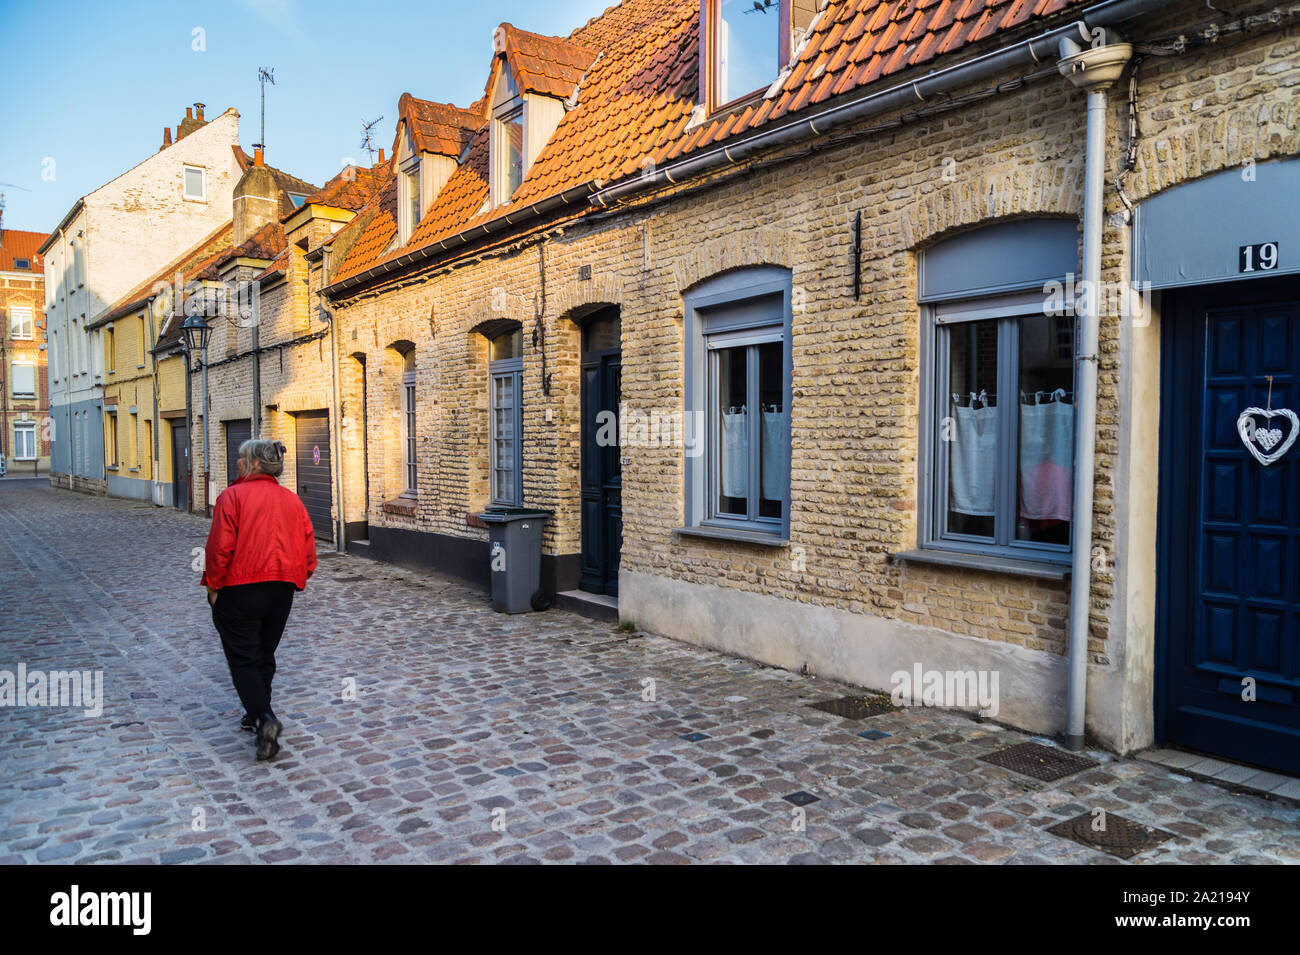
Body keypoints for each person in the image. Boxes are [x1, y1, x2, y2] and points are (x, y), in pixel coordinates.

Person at [201, 439, 317, 761]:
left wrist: (213, 586)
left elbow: (220, 548)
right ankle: (257, 711)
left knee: (244, 658)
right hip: (281, 590)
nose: (237, 463)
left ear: (253, 464)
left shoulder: (232, 497)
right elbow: (308, 550)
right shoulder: (292, 501)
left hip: (240, 588)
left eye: (240, 458)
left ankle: (264, 719)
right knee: (265, 653)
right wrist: (298, 576)